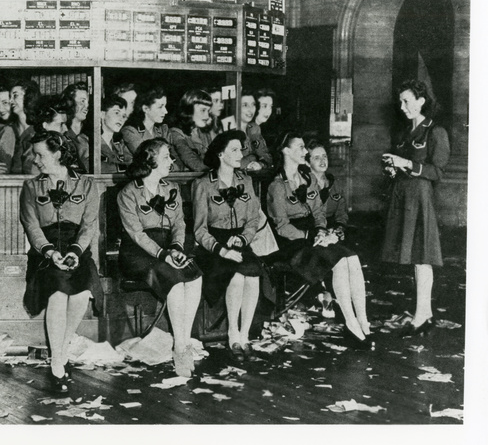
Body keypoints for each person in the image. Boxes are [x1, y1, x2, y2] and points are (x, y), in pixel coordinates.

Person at [267, 131, 372, 349]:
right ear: (286, 151)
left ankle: (363, 320)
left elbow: (319, 213)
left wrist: (322, 232)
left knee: (351, 257)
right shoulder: (277, 186)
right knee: (340, 262)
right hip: (292, 242)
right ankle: (351, 323)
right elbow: (282, 226)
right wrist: (310, 236)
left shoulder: (308, 179)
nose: (304, 151)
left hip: (313, 235)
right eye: (300, 147)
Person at [19, 131, 100, 393]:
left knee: (80, 292)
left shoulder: (86, 185)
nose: (36, 161)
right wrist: (50, 252)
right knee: (56, 292)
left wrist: (75, 252)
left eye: (41, 154)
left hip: (77, 249)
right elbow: (32, 226)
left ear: (57, 154)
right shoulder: (31, 187)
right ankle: (57, 362)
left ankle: (60, 350)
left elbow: (89, 226)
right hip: (46, 252)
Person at [117, 138, 203, 377]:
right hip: (138, 253)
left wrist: (175, 247)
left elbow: (179, 223)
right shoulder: (128, 193)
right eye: (166, 156)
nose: (171, 161)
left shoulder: (170, 189)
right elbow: (135, 233)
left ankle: (182, 342)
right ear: (150, 160)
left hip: (168, 249)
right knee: (175, 282)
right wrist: (163, 254)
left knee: (194, 277)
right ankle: (181, 348)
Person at [381, 79, 450, 336]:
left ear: (421, 101)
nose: (402, 106)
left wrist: (407, 165)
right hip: (403, 198)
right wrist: (392, 168)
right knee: (413, 259)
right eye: (400, 101)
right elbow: (402, 165)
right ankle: (425, 313)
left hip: (421, 199)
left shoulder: (435, 132)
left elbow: (437, 171)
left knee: (423, 258)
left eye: (406, 101)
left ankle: (422, 315)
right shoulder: (403, 133)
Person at [192, 130, 264, 361]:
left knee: (253, 274)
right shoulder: (203, 185)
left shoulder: (247, 181)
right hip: (214, 246)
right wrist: (222, 249)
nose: (240, 153)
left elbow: (253, 220)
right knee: (237, 275)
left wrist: (243, 239)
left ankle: (245, 336)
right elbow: (199, 229)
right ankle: (232, 333)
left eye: (241, 149)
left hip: (240, 240)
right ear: (221, 154)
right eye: (234, 149)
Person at [306, 139, 348, 317]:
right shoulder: (303, 184)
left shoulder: (333, 183)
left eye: (324, 156)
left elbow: (341, 213)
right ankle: (323, 292)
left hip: (330, 230)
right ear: (307, 162)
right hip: (312, 230)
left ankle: (332, 293)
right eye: (316, 158)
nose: (323, 161)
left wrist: (338, 229)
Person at [21, 95, 82, 174]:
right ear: (45, 125)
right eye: (61, 124)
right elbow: (35, 176)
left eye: (66, 124)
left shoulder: (66, 143)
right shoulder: (32, 145)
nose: (66, 129)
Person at [120, 86, 177, 167]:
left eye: (165, 106)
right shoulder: (129, 131)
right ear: (146, 108)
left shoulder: (163, 131)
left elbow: (176, 162)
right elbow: (150, 160)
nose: (166, 111)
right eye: (160, 107)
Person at [169, 89, 213, 172]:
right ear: (189, 110)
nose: (207, 116)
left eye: (208, 111)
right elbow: (195, 164)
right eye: (203, 110)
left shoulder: (204, 133)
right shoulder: (175, 133)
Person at [9, 79, 41, 173]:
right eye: (10, 97)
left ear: (28, 97)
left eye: (15, 96)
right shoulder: (9, 129)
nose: (10, 101)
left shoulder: (40, 130)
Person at [240, 88, 275, 172]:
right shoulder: (228, 128)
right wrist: (253, 158)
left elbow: (266, 157)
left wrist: (260, 164)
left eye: (253, 105)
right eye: (264, 106)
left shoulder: (254, 128)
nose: (268, 111)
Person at [61, 82, 91, 173]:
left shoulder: (91, 132)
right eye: (82, 101)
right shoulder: (62, 132)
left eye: (87, 102)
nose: (87, 106)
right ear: (70, 103)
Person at [99, 95, 133, 174]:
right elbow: (90, 165)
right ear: (102, 114)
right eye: (117, 113)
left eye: (124, 116)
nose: (121, 119)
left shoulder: (120, 145)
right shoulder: (85, 140)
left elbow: (132, 162)